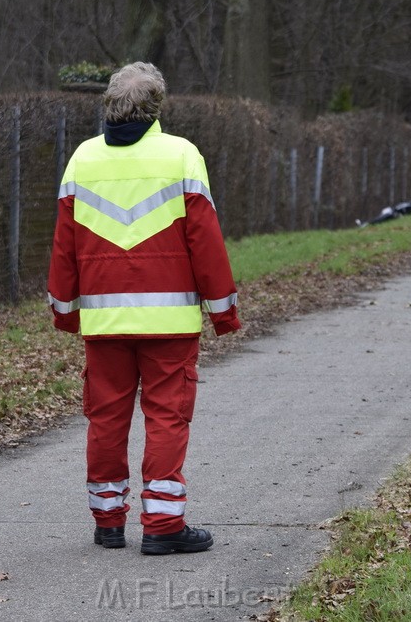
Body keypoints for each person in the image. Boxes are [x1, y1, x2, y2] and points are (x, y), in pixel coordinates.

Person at [47, 62, 241, 555]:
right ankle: (163, 525)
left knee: (106, 419)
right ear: (157, 106)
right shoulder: (181, 155)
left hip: (104, 321)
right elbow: (206, 242)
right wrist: (223, 311)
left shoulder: (81, 160)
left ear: (109, 104)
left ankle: (109, 522)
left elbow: (64, 246)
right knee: (167, 417)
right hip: (170, 322)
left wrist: (65, 311)